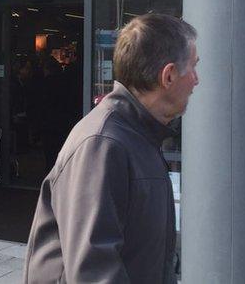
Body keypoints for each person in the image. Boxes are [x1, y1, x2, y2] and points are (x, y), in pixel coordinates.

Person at [23, 14, 199, 283]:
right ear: (169, 75)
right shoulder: (102, 145)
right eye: (193, 67)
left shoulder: (138, 136)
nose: (197, 80)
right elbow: (93, 272)